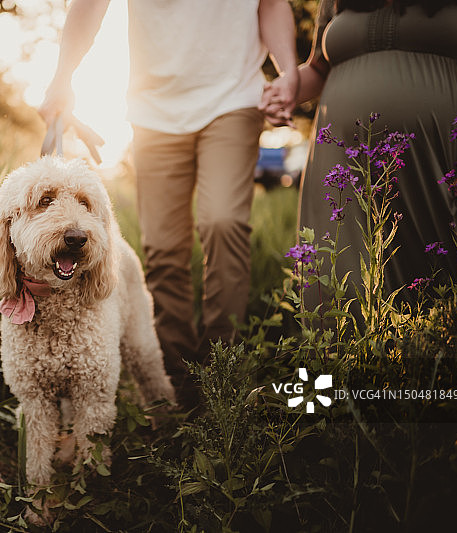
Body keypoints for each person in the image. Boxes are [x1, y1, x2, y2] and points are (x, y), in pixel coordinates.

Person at [39, 0, 299, 400]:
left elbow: (271, 3)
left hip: (234, 95)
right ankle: (176, 387)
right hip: (153, 108)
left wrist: (289, 71)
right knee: (162, 248)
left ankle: (220, 378)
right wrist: (62, 76)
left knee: (223, 221)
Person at [261, 0, 457, 309]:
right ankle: (339, 359)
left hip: (434, 165)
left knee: (434, 290)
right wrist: (288, 89)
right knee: (337, 282)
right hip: (341, 167)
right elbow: (318, 69)